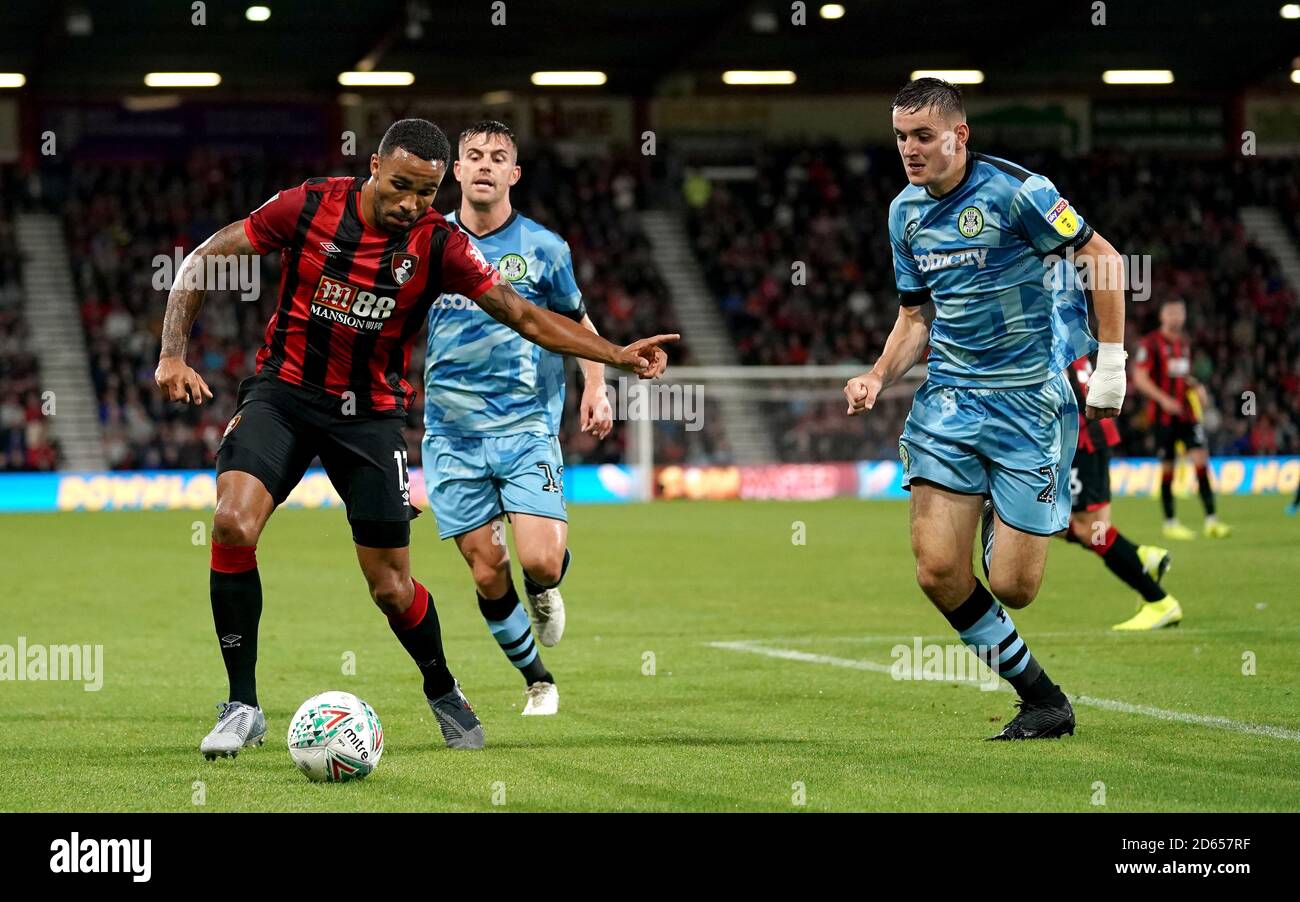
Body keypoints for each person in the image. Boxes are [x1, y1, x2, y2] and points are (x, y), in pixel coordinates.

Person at [154, 119, 675, 758]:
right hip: (282, 395)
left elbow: (525, 316)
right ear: (373, 166)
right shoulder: (310, 204)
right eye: (400, 187)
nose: (410, 204)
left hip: (370, 416)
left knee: (390, 585)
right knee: (233, 522)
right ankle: (242, 705)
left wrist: (617, 356)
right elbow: (208, 255)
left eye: (425, 195)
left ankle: (443, 687)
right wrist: (172, 353)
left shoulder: (440, 245)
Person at [845, 78, 1127, 740]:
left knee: (1015, 587)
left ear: (958, 134)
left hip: (1028, 402)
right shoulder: (903, 214)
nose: (909, 150)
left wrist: (1111, 363)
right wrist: (879, 375)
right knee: (938, 569)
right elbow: (915, 317)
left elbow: (1102, 258)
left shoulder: (1019, 192)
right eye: (899, 138)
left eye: (922, 136)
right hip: (949, 400)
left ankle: (1005, 508)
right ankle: (1043, 700)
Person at [422, 120, 614, 716]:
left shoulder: (545, 249)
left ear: (514, 174)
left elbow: (578, 324)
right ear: (455, 171)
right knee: (486, 570)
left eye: (496, 157)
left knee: (539, 560)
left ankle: (545, 586)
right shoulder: (426, 242)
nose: (483, 165)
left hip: (525, 425)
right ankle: (538, 679)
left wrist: (596, 385)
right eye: (473, 156)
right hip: (450, 434)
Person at [1063, 356, 1182, 631]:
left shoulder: (1040, 330)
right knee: (1083, 528)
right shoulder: (1065, 327)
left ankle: (1159, 601)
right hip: (1094, 432)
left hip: (1081, 438)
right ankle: (1142, 558)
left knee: (1086, 529)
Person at [1131, 299, 1230, 539]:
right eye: (1171, 312)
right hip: (1162, 417)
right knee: (1168, 468)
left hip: (1186, 414)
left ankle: (1211, 520)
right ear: (1163, 316)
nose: (1176, 317)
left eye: (1180, 313)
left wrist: (1197, 387)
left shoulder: (1184, 344)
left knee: (1201, 460)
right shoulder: (1151, 343)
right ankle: (1170, 522)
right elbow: (1140, 378)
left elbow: (1183, 376)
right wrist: (1163, 399)